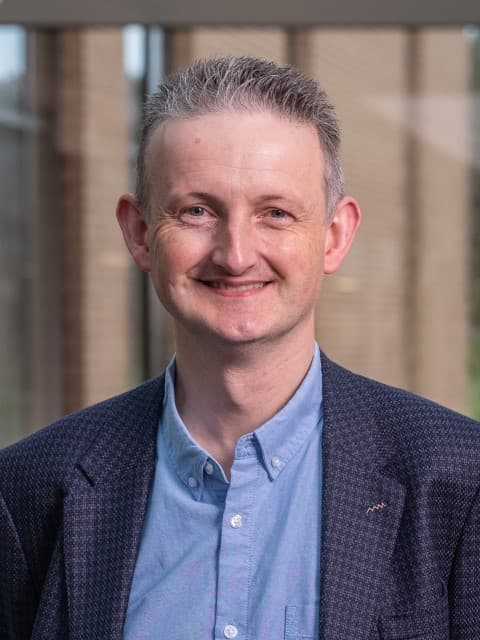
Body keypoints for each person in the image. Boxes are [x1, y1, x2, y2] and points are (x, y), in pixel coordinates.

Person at [1, 56, 479, 640]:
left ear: (334, 236)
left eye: (275, 213)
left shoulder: (460, 480)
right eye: (197, 211)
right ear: (140, 232)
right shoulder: (28, 490)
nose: (235, 254)